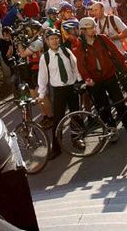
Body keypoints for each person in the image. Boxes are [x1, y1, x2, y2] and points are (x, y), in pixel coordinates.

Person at [74, 17, 127, 137]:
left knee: (119, 102)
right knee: (103, 108)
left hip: (110, 75)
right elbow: (81, 65)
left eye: (94, 27)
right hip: (95, 81)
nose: (94, 30)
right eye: (90, 28)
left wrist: (126, 67)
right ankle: (111, 131)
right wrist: (87, 79)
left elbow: (116, 53)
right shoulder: (81, 46)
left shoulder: (103, 39)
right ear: (83, 30)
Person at [37, 29, 81, 159]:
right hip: (59, 91)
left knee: (76, 114)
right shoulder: (44, 57)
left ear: (59, 39)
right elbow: (43, 77)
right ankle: (56, 147)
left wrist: (79, 81)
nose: (55, 41)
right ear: (47, 41)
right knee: (57, 119)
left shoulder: (67, 52)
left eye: (56, 38)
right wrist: (41, 94)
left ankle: (77, 139)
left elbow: (75, 66)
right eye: (51, 39)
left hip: (71, 88)